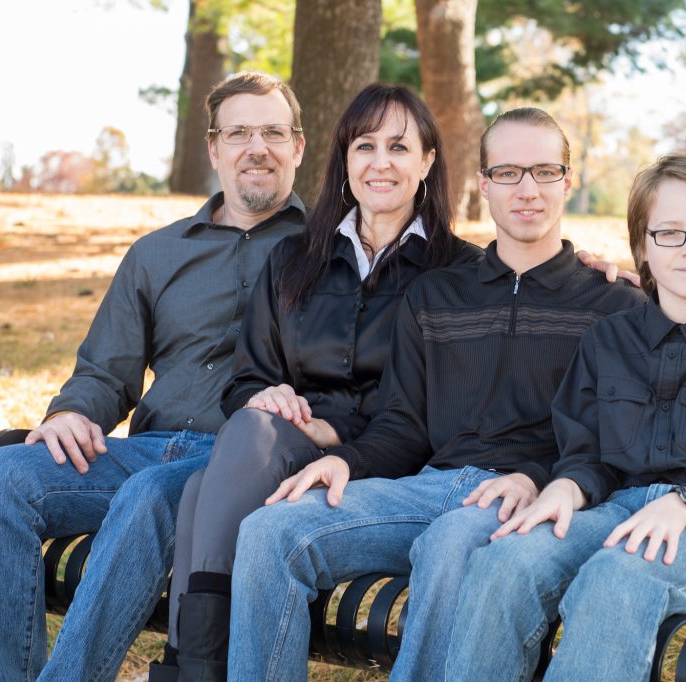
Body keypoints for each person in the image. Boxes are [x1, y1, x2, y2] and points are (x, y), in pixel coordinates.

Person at [225, 107, 647, 681]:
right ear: (484, 184)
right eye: (508, 173)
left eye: (544, 172)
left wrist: (537, 477)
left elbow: (614, 443)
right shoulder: (437, 294)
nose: (527, 190)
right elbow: (402, 424)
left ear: (567, 182)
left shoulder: (613, 306)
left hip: (525, 497)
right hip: (428, 488)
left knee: (451, 542)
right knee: (270, 531)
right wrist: (346, 461)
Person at [0, 71, 307, 681]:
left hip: (239, 467)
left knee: (149, 498)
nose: (258, 147)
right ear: (213, 148)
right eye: (239, 133)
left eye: (273, 133)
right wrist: (72, 412)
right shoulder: (157, 253)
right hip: (146, 449)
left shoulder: (331, 251)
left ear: (298, 147)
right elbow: (106, 370)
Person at [149, 83, 480, 681]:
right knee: (229, 452)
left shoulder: (462, 273)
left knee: (203, 488)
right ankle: (194, 669)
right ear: (344, 159)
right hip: (282, 445)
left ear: (428, 161)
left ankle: (187, 668)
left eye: (399, 147)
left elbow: (435, 408)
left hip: (386, 463)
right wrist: (265, 395)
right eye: (365, 146)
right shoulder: (295, 258)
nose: (380, 163)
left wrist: (335, 433)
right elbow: (247, 379)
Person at [444, 153, 686, 681]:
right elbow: (587, 453)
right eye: (670, 233)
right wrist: (567, 487)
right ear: (642, 247)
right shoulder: (608, 339)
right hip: (615, 514)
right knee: (505, 562)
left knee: (617, 577)